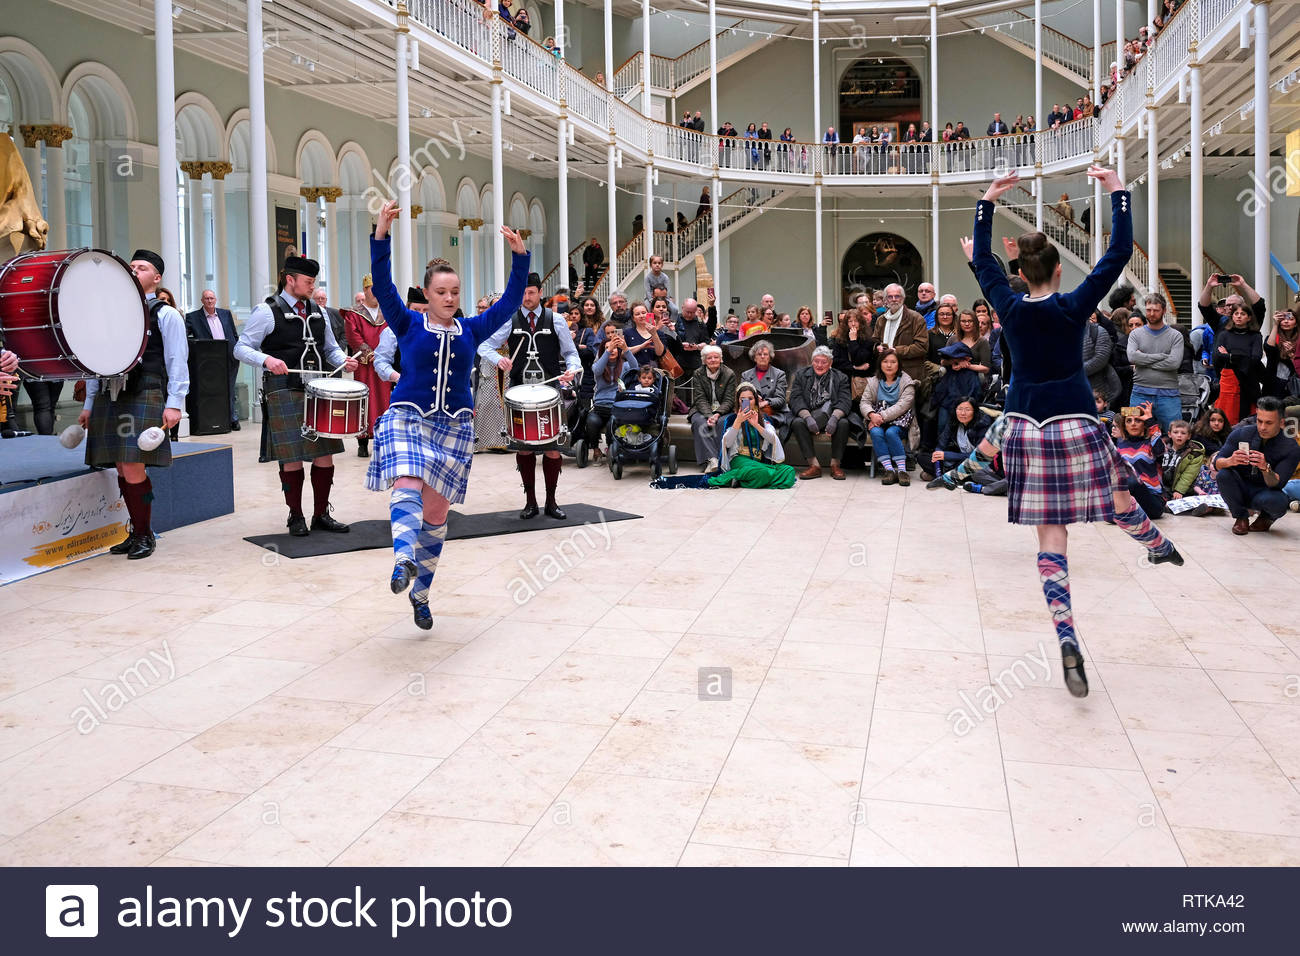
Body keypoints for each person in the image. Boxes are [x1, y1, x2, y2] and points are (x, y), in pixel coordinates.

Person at [972, 166, 1182, 699]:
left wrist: (988, 200)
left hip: (1025, 427)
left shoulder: (1009, 306)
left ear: (1020, 270)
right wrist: (1117, 191)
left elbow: (982, 264)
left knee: (1052, 537)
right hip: (1076, 422)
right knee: (1115, 498)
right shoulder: (1072, 306)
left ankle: (1067, 636)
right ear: (1059, 271)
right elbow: (1117, 255)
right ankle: (1157, 543)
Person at [368, 201, 528, 628]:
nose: (450, 299)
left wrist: (520, 257)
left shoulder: (472, 328)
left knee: (436, 517)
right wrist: (381, 233)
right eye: (442, 292)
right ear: (427, 293)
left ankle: (421, 595)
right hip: (408, 417)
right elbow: (383, 286)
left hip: (454, 426)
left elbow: (511, 302)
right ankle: (402, 560)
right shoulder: (407, 323)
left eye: (455, 292)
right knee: (406, 480)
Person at [234, 255, 360, 537]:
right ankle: (296, 516)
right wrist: (266, 360)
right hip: (284, 390)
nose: (312, 288)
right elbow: (241, 348)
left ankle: (321, 515)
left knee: (325, 453)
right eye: (308, 282)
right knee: (291, 456)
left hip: (319, 391)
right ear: (289, 280)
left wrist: (345, 359)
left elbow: (330, 349)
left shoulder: (320, 311)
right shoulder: (266, 311)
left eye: (314, 282)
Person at [77, 249, 189, 560]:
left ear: (156, 278)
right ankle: (136, 530)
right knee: (120, 466)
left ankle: (144, 534)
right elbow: (94, 361)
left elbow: (177, 361)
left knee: (132, 464)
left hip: (144, 391)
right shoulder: (110, 313)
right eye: (131, 266)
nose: (134, 270)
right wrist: (88, 403)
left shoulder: (166, 314)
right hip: (108, 396)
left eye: (141, 267)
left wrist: (175, 403)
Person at [477, 270, 581, 519]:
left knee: (553, 448)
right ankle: (530, 502)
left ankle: (552, 501)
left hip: (550, 390)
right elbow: (484, 345)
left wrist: (572, 369)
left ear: (540, 293)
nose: (526, 297)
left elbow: (571, 354)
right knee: (523, 448)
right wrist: (499, 360)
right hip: (519, 391)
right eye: (522, 293)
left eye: (531, 292)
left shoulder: (555, 320)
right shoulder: (509, 320)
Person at [1209, 397, 1299, 535]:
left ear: (1281, 423)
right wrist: (1230, 461)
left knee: (1279, 501)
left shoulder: (1290, 447)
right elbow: (1216, 462)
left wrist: (1265, 468)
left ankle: (1267, 518)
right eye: (1259, 421)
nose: (1262, 427)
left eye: (1269, 423)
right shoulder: (1241, 433)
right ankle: (1240, 517)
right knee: (1223, 475)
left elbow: (1277, 484)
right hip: (1240, 486)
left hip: (1264, 492)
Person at [789, 345, 851, 480]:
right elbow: (795, 399)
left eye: (824, 362)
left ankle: (835, 465)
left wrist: (835, 418)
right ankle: (814, 465)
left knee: (844, 423)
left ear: (830, 363)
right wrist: (807, 417)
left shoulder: (841, 377)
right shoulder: (801, 375)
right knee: (798, 422)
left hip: (832, 415)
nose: (819, 365)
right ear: (812, 362)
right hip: (809, 415)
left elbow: (845, 401)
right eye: (816, 361)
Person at [344, 288, 392, 458]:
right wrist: (369, 354)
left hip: (384, 364)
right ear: (365, 290)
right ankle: (362, 442)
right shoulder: (354, 313)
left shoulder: (386, 312)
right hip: (364, 365)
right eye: (373, 289)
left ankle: (382, 439)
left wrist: (383, 355)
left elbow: (392, 333)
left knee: (383, 400)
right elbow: (353, 336)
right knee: (364, 400)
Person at [183, 289, 240, 431]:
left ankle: (232, 418)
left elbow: (233, 333)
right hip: (208, 361)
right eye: (206, 298)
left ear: (216, 300)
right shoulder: (193, 317)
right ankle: (216, 419)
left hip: (229, 357)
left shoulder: (226, 314)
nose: (209, 301)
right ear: (202, 300)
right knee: (212, 391)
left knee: (230, 390)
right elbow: (185, 338)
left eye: (212, 298)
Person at [1127, 292, 1184, 429]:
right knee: (1133, 431)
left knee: (1176, 432)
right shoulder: (1135, 334)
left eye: (1156, 310)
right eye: (1148, 310)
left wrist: (1143, 358)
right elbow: (1132, 357)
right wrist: (1162, 356)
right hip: (1139, 392)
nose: (1151, 314)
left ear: (1164, 311)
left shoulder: (1176, 336)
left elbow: (1174, 363)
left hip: (1169, 394)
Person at [860, 348, 916, 484]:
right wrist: (871, 414)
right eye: (885, 361)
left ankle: (902, 471)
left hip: (900, 420)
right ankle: (889, 470)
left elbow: (902, 406)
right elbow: (864, 402)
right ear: (880, 364)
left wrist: (880, 417)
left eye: (893, 362)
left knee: (891, 433)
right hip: (877, 420)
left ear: (899, 364)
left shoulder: (907, 382)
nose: (889, 365)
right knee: (875, 432)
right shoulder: (873, 381)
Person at [586, 321, 636, 458]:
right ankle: (595, 449)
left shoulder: (624, 366)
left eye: (614, 348)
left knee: (611, 425)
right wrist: (608, 350)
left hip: (616, 407)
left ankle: (610, 449)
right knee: (591, 421)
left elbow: (635, 368)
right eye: (608, 348)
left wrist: (625, 348)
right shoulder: (600, 365)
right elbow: (596, 370)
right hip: (600, 406)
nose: (612, 350)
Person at [1112, 402, 1167, 519]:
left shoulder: (1151, 443)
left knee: (1132, 482)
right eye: (1129, 421)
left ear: (1144, 424)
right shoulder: (1120, 445)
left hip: (1152, 500)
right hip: (1128, 497)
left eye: (1138, 420)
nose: (1133, 424)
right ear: (1124, 425)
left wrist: (1150, 420)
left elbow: (1160, 450)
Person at [1213, 299, 1265, 422]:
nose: (1239, 316)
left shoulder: (1255, 336)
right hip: (1229, 379)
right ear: (1232, 316)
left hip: (1249, 379)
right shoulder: (1224, 335)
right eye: (1236, 314)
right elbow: (1218, 355)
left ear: (1249, 317)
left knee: (1248, 417)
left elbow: (1256, 358)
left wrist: (1230, 356)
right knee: (1227, 416)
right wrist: (1241, 357)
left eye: (1243, 314)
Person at [688, 344, 737, 473]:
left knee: (721, 423)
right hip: (702, 409)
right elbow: (700, 398)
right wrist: (709, 415)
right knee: (699, 422)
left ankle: (719, 460)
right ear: (704, 361)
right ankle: (713, 460)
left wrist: (717, 414)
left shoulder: (729, 373)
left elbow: (729, 400)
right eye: (709, 358)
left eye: (716, 357)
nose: (713, 360)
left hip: (724, 410)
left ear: (721, 359)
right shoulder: (698, 373)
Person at [932, 397, 993, 478]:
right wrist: (937, 456)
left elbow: (979, 456)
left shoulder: (982, 426)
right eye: (960, 409)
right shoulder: (953, 422)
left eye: (967, 410)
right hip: (958, 459)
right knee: (922, 458)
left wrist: (947, 455)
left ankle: (948, 474)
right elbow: (941, 445)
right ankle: (946, 474)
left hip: (976, 462)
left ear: (975, 412)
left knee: (972, 469)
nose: (963, 413)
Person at [739, 339, 789, 433]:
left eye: (765, 354)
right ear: (754, 358)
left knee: (759, 420)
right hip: (750, 412)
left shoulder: (779, 374)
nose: (762, 357)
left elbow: (781, 400)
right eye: (759, 354)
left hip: (773, 414)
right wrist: (752, 400)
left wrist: (766, 402)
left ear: (770, 357)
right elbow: (743, 400)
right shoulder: (746, 375)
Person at [830, 308, 876, 397]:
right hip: (844, 382)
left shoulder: (868, 339)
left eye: (856, 321)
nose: (853, 324)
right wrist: (854, 367)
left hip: (862, 383)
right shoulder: (840, 339)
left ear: (861, 323)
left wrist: (853, 341)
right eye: (850, 321)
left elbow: (861, 360)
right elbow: (836, 362)